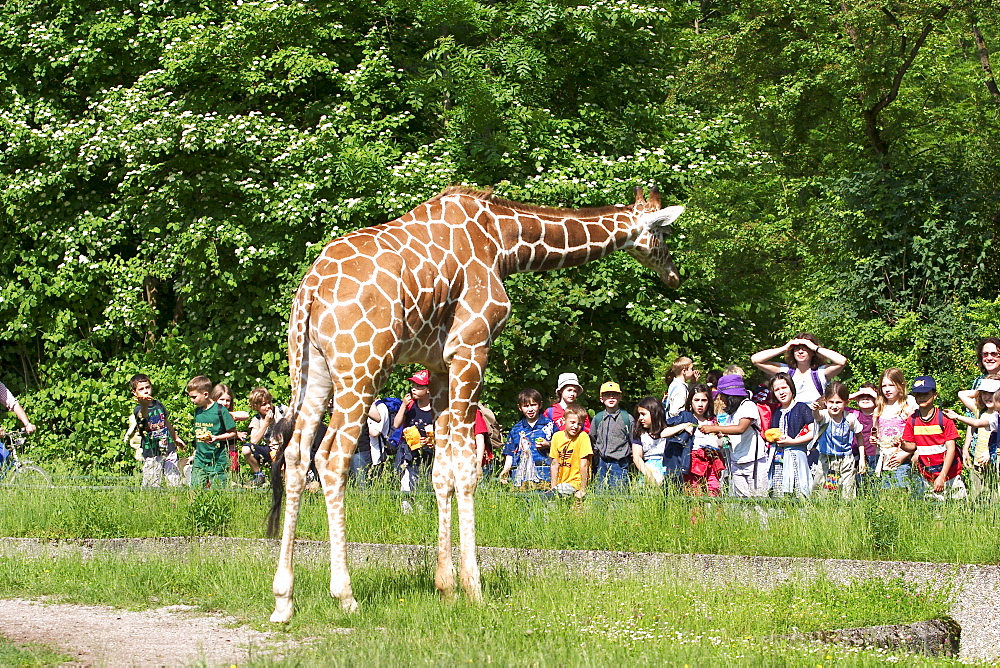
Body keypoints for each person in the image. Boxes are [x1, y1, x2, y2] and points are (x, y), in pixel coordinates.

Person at [699, 374, 769, 497]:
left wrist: (713, 428)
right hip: (736, 461)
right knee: (742, 501)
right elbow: (730, 432)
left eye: (723, 396)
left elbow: (741, 428)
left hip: (754, 461)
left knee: (759, 500)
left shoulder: (748, 405)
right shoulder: (732, 412)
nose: (721, 399)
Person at [904, 376, 965, 500]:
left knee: (958, 510)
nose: (921, 397)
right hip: (928, 475)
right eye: (918, 394)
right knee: (935, 513)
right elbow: (911, 446)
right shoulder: (912, 419)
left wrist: (942, 476)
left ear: (935, 395)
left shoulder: (944, 418)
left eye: (925, 394)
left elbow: (951, 449)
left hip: (950, 474)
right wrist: (901, 444)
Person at [750, 333, 848, 405]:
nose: (800, 352)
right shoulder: (786, 371)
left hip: (815, 419)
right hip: (792, 420)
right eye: (797, 348)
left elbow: (842, 361)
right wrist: (785, 348)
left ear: (812, 352)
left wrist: (815, 347)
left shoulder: (820, 372)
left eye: (805, 348)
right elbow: (755, 360)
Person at [125, 373, 184, 487]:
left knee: (174, 480)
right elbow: (143, 416)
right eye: (141, 389)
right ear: (134, 392)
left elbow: (166, 422)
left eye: (147, 387)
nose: (145, 391)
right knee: (152, 482)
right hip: (151, 450)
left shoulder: (158, 404)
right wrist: (144, 405)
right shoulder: (139, 408)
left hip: (168, 446)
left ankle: (175, 502)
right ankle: (151, 502)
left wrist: (175, 438)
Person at [948, 377, 1000, 502]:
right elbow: (962, 395)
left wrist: (990, 451)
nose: (987, 397)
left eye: (991, 393)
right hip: (978, 460)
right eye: (984, 393)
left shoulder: (997, 416)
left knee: (995, 496)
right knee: (977, 495)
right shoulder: (980, 410)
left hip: (992, 461)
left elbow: (978, 424)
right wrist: (965, 448)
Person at [810, 382, 863, 499]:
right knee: (827, 490)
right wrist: (815, 410)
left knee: (847, 489)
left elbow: (859, 435)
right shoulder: (825, 415)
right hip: (828, 460)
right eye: (831, 402)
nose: (834, 406)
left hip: (846, 459)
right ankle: (826, 511)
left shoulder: (850, 418)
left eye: (838, 402)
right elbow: (817, 416)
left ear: (846, 403)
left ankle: (846, 513)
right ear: (825, 401)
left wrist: (862, 459)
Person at [766, 372, 814, 498]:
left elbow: (813, 432)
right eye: (777, 390)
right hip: (779, 458)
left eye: (784, 388)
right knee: (779, 493)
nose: (781, 392)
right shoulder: (777, 412)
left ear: (791, 388)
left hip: (797, 456)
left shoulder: (802, 408)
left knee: (799, 491)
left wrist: (792, 442)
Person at [187, 375, 237, 488]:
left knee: (219, 491)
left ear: (205, 394)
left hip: (218, 458)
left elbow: (233, 433)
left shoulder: (220, 410)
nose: (192, 400)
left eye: (194, 397)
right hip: (200, 459)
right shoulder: (197, 411)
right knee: (195, 490)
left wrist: (216, 438)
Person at [499, 389, 554, 490]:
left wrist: (548, 444)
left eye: (533, 405)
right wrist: (506, 470)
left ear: (540, 405)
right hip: (521, 473)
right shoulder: (516, 429)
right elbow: (510, 453)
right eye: (526, 406)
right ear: (520, 407)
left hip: (545, 471)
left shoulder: (549, 425)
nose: (530, 409)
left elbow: (561, 445)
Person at [873, 368, 919, 491]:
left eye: (891, 385)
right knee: (886, 493)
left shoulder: (909, 403)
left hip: (902, 457)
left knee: (901, 491)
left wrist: (905, 454)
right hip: (884, 458)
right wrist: (874, 438)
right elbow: (877, 430)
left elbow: (918, 433)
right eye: (884, 386)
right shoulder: (880, 406)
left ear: (901, 385)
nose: (887, 389)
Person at [393, 369, 435, 503]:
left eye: (418, 386)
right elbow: (396, 424)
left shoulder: (436, 408)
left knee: (426, 486)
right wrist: (403, 406)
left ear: (428, 389)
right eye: (413, 386)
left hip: (429, 454)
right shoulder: (410, 405)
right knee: (407, 486)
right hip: (409, 453)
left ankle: (424, 513)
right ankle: (407, 514)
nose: (414, 389)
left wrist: (431, 441)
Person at [630, 396, 690, 488]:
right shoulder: (639, 433)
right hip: (647, 471)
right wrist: (650, 477)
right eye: (639, 415)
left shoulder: (669, 429)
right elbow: (637, 457)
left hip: (668, 469)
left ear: (654, 413)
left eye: (643, 414)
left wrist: (684, 426)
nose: (640, 418)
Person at [680, 383, 725, 496]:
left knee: (714, 491)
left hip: (712, 459)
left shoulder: (713, 421)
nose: (700, 404)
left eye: (704, 400)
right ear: (690, 401)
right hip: (693, 460)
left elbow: (721, 442)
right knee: (695, 494)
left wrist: (720, 440)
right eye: (696, 400)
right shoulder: (685, 419)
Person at [242, 387, 290, 487]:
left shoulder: (282, 410)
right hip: (270, 449)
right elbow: (253, 441)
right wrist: (266, 423)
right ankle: (259, 475)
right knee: (246, 449)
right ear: (256, 407)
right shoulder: (257, 420)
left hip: (286, 447)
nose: (268, 406)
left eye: (269, 402)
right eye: (264, 404)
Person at [589, 382, 633, 489]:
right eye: (607, 395)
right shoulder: (597, 418)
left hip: (620, 464)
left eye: (615, 394)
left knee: (619, 496)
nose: (611, 397)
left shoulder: (627, 418)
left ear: (620, 397)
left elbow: (634, 441)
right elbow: (592, 438)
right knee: (600, 495)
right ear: (601, 399)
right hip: (601, 463)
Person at [549, 403, 593, 500]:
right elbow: (554, 464)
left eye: (579, 424)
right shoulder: (557, 437)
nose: (575, 426)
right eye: (572, 422)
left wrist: (582, 489)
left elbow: (584, 464)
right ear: (564, 420)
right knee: (551, 503)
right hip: (560, 483)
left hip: (575, 482)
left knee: (546, 499)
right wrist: (553, 487)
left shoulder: (583, 437)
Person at [211, 383, 250, 474]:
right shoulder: (211, 415)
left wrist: (228, 414)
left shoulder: (229, 414)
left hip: (230, 447)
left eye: (227, 400)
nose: (225, 403)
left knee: (232, 471)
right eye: (221, 400)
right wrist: (237, 434)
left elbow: (246, 415)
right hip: (215, 447)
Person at [847, 384, 878, 494]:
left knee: (875, 487)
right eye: (862, 396)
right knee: (859, 487)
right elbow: (829, 402)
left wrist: (876, 395)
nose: (865, 398)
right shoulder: (853, 414)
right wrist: (856, 394)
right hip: (856, 455)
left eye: (869, 396)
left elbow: (888, 403)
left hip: (876, 455)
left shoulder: (880, 414)